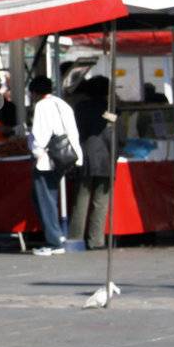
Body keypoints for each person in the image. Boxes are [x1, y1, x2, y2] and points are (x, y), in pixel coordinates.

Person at [28, 76, 80, 257]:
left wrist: (35, 151)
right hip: (64, 157)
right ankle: (56, 237)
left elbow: (40, 135)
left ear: (34, 92)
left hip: (46, 159)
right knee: (51, 196)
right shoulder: (62, 104)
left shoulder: (42, 106)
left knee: (45, 199)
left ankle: (54, 240)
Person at [68, 76, 113, 251]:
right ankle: (96, 240)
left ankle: (75, 237)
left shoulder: (80, 107)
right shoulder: (110, 109)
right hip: (105, 157)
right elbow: (115, 132)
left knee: (81, 199)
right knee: (101, 201)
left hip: (85, 155)